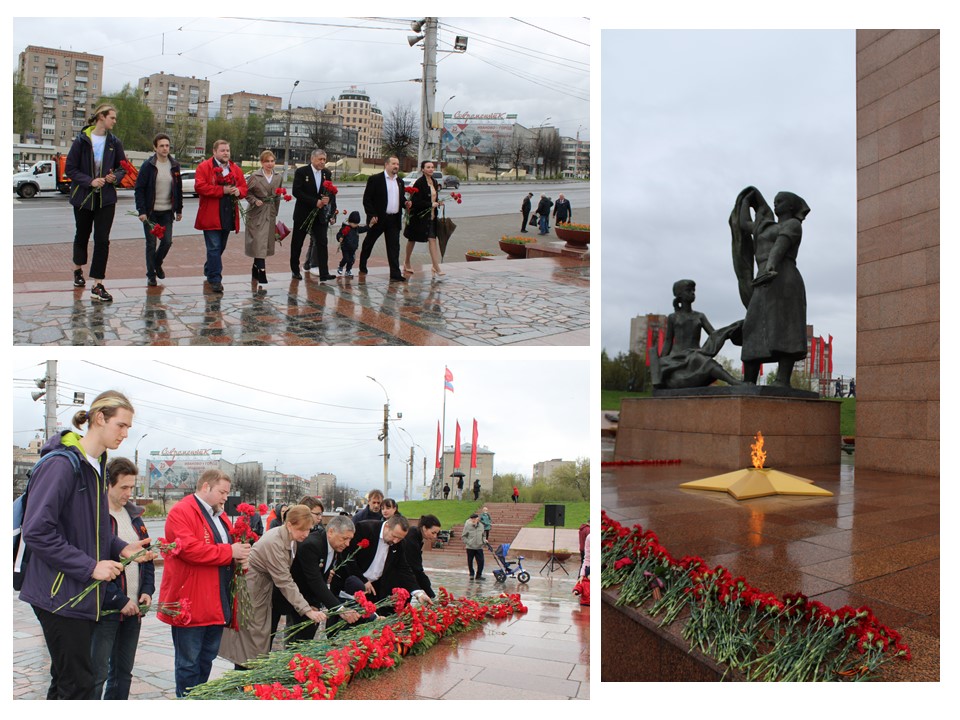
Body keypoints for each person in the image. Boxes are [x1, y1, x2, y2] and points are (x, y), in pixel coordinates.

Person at [19, 391, 152, 700]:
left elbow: (92, 529)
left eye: (128, 427)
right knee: (78, 684)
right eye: (121, 425)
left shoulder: (96, 464)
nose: (125, 434)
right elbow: (37, 531)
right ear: (99, 418)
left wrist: (120, 547)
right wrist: (91, 566)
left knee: (68, 681)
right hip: (59, 595)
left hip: (77, 594)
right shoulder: (64, 465)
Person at [157, 469, 251, 697]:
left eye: (227, 493)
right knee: (189, 662)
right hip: (190, 601)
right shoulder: (182, 511)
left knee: (206, 658)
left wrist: (240, 557)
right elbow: (189, 550)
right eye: (222, 492)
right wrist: (230, 551)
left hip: (215, 601)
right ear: (206, 487)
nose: (225, 498)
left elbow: (225, 549)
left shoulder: (219, 515)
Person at [218, 506, 326, 668]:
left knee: (257, 639)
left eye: (308, 530)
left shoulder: (289, 537)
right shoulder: (275, 542)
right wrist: (307, 610)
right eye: (302, 530)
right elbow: (284, 581)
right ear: (290, 525)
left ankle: (250, 679)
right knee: (250, 639)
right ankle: (243, 681)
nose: (306, 534)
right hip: (251, 591)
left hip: (261, 589)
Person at [90, 457, 155, 700]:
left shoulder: (134, 517)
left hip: (133, 610)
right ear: (108, 485)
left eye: (132, 487)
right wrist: (118, 600)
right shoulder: (95, 518)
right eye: (123, 488)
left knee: (123, 674)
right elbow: (93, 567)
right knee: (96, 675)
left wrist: (147, 591)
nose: (129, 493)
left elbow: (146, 558)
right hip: (105, 612)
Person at [732, 186, 810, 386]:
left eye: (780, 200)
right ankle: (748, 380)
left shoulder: (793, 224)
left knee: (785, 327)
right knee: (753, 325)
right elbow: (743, 224)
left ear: (791, 205)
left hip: (784, 279)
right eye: (774, 200)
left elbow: (779, 248)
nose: (775, 203)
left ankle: (782, 380)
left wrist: (771, 266)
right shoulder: (764, 227)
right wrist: (746, 199)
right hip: (764, 280)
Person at [66, 103, 127, 302]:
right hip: (83, 197)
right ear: (101, 117)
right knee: (82, 235)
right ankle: (78, 270)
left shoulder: (114, 142)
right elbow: (71, 169)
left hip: (106, 199)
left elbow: (122, 167)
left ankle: (97, 284)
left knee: (102, 240)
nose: (115, 121)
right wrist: (89, 181)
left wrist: (114, 177)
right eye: (112, 117)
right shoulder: (82, 140)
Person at [649, 279, 743, 389]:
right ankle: (734, 382)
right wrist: (662, 360)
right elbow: (668, 341)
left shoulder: (700, 316)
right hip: (677, 357)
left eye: (693, 290)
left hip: (695, 354)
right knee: (701, 360)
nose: (692, 293)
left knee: (703, 360)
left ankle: (734, 382)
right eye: (688, 290)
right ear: (679, 295)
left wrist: (730, 331)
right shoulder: (673, 317)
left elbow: (714, 335)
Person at [287, 515, 362, 643]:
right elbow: (314, 580)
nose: (347, 544)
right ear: (331, 531)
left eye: (350, 539)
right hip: (296, 599)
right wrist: (340, 610)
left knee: (305, 643)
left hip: (312, 602)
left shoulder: (335, 546)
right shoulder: (311, 545)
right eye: (344, 538)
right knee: (296, 643)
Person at [194, 140, 247, 294]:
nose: (226, 153)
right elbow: (200, 186)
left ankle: (209, 268)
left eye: (227, 150)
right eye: (222, 150)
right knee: (214, 246)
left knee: (220, 246)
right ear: (215, 151)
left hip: (228, 214)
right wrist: (221, 190)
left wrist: (239, 192)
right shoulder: (204, 167)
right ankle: (215, 279)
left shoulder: (235, 169)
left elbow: (244, 187)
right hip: (211, 214)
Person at [134, 133, 183, 287]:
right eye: (161, 145)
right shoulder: (148, 166)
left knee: (167, 241)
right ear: (155, 147)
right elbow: (139, 189)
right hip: (150, 213)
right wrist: (141, 211)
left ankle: (157, 263)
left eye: (167, 145)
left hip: (167, 212)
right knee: (151, 244)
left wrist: (179, 209)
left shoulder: (174, 165)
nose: (164, 148)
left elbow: (178, 188)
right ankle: (151, 275)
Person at [337, 515, 418, 606]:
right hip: (348, 581)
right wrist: (363, 580)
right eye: (394, 536)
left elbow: (403, 567)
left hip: (372, 588)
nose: (395, 541)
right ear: (387, 526)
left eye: (400, 539)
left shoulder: (400, 544)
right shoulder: (364, 528)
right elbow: (347, 555)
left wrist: (417, 592)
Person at [359, 156, 413, 281]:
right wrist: (372, 215)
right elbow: (367, 200)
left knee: (394, 246)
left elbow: (400, 198)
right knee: (369, 243)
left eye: (398, 164)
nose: (396, 166)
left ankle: (395, 273)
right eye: (394, 163)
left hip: (394, 220)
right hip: (378, 219)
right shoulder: (375, 179)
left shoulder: (399, 181)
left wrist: (406, 203)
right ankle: (362, 264)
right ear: (386, 165)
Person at [291, 149, 336, 280]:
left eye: (324, 159)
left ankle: (324, 272)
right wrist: (314, 201)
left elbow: (330, 192)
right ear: (312, 159)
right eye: (320, 159)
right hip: (303, 214)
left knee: (322, 242)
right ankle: (295, 270)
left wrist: (328, 200)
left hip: (319, 215)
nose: (322, 162)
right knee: (297, 243)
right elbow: (296, 192)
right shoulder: (301, 172)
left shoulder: (326, 174)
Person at [244, 150, 284, 287]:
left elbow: (278, 196)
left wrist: (275, 212)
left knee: (264, 242)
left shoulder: (278, 177)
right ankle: (262, 270)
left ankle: (256, 267)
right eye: (267, 161)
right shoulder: (255, 176)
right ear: (262, 162)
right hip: (257, 212)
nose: (270, 164)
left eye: (272, 161)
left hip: (270, 212)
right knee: (259, 241)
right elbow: (246, 193)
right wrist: (255, 201)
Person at [402, 159, 446, 277]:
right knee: (412, 240)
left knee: (432, 240)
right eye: (428, 167)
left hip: (431, 217)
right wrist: (430, 204)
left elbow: (434, 198)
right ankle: (406, 261)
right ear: (423, 169)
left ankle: (435, 266)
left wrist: (438, 202)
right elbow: (416, 201)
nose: (431, 169)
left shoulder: (435, 182)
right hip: (419, 218)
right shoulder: (419, 183)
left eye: (432, 167)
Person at [389, 514, 440, 602]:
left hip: (405, 578)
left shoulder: (416, 535)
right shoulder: (412, 539)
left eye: (436, 533)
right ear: (424, 528)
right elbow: (416, 568)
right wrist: (431, 596)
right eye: (433, 532)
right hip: (400, 580)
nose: (435, 536)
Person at [336, 211, 374, 277]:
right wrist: (339, 238)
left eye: (357, 223)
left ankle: (348, 270)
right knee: (346, 258)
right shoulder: (345, 228)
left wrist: (370, 225)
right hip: (345, 247)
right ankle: (340, 266)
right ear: (349, 222)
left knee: (351, 260)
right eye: (354, 223)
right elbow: (339, 234)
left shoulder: (357, 229)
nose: (355, 225)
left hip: (353, 247)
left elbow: (364, 229)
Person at [462, 514, 485, 580]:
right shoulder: (467, 526)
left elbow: (483, 535)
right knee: (470, 561)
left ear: (478, 519)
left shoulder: (481, 526)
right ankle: (471, 573)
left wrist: (483, 541)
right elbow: (463, 536)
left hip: (479, 547)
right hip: (470, 547)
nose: (473, 520)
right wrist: (469, 542)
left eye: (475, 518)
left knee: (481, 561)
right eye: (472, 519)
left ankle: (479, 575)